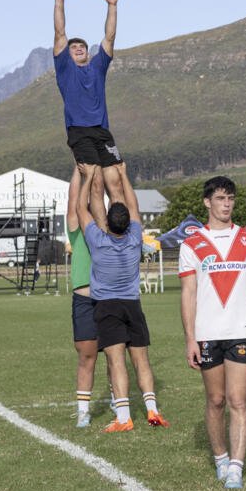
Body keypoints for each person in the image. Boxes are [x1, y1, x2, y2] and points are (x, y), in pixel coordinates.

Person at [179, 176, 246, 488]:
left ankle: (236, 467)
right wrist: (190, 338)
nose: (226, 205)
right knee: (216, 400)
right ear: (207, 202)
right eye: (221, 199)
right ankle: (221, 458)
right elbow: (188, 293)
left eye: (230, 199)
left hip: (244, 330)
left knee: (238, 400)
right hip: (207, 332)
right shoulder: (191, 244)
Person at [77, 163, 169, 432]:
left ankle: (124, 417)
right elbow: (133, 202)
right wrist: (125, 175)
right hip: (132, 306)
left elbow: (80, 209)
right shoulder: (135, 239)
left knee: (116, 362)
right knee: (142, 361)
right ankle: (153, 412)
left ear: (106, 221)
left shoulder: (97, 239)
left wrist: (90, 178)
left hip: (107, 308)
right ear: (129, 221)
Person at [53, 0, 125, 201]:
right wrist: (59, 1)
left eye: (82, 46)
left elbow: (110, 37)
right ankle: (99, 231)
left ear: (88, 52)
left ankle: (120, 231)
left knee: (114, 181)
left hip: (101, 130)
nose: (77, 48)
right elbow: (60, 33)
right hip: (79, 130)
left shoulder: (97, 66)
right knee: (95, 181)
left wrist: (112, 6)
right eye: (73, 47)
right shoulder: (65, 68)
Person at [66, 166, 100, 428]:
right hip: (85, 301)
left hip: (108, 300)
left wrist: (97, 174)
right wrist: (80, 169)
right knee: (87, 356)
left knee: (115, 356)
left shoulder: (106, 230)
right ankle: (83, 412)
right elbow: (73, 201)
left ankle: (118, 402)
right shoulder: (76, 232)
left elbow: (104, 196)